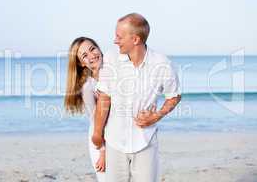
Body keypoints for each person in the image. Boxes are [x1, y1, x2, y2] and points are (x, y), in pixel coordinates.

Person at [92, 13, 182, 182]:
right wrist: (97, 133)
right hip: (114, 142)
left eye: (119, 36)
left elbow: (174, 96)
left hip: (145, 141)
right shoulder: (111, 58)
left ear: (135, 39)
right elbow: (104, 98)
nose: (115, 40)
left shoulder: (162, 64)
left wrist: (157, 115)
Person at [64, 37, 105, 182]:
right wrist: (102, 151)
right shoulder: (89, 87)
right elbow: (95, 120)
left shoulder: (114, 74)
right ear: (81, 63)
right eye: (84, 56)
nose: (92, 55)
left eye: (92, 49)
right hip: (99, 140)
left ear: (99, 48)